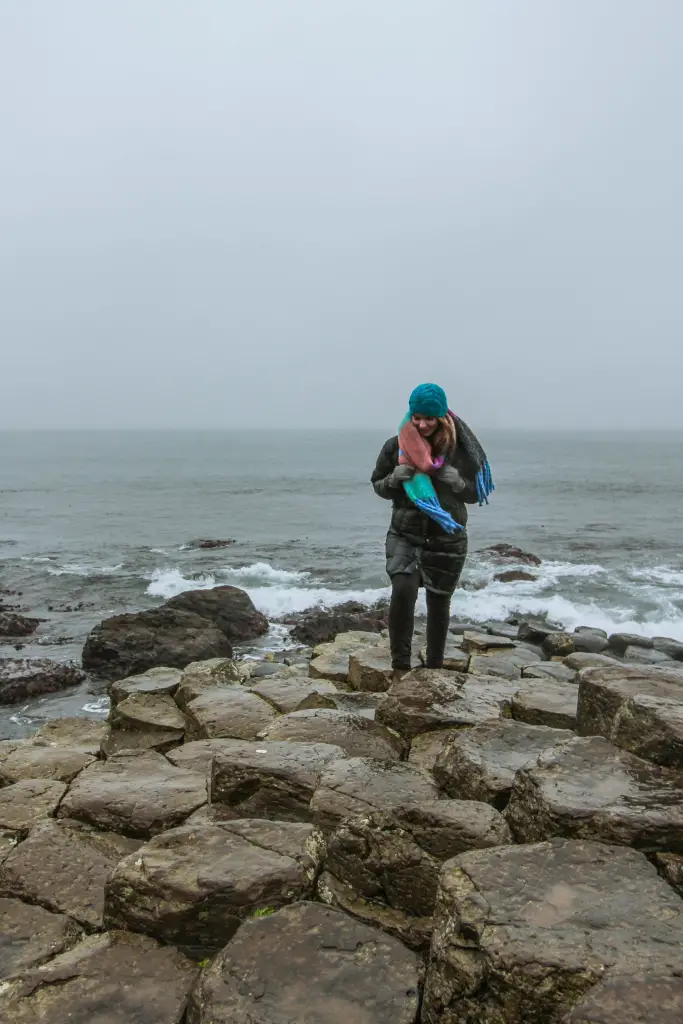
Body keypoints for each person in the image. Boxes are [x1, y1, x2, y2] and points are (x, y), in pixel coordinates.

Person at [371, 383, 493, 676]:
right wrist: (392, 480)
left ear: (441, 417)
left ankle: (435, 669)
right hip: (405, 533)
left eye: (429, 418)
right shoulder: (395, 446)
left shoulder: (460, 449)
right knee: (403, 591)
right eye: (417, 418)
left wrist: (458, 483)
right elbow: (378, 485)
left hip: (447, 536)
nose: (422, 424)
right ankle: (400, 666)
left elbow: (477, 494)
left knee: (439, 603)